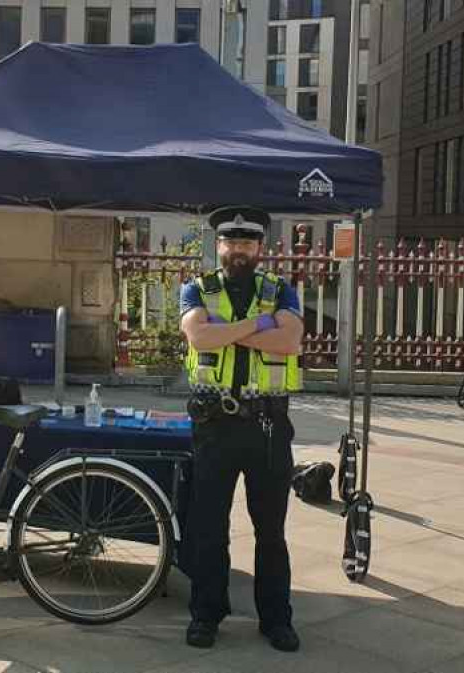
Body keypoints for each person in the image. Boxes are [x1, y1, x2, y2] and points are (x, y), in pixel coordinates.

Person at [179, 206, 304, 652]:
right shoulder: (195, 290)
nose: (238, 250)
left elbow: (290, 341)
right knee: (208, 527)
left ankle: (276, 618)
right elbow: (199, 338)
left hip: (268, 426)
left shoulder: (281, 290)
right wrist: (259, 325)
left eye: (247, 243)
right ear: (219, 246)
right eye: (231, 242)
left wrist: (227, 330)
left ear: (260, 248)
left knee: (271, 530)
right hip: (215, 425)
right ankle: (206, 615)